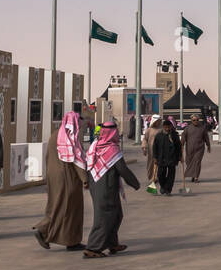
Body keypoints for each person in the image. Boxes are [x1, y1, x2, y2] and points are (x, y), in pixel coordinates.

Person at [82, 121, 141, 258]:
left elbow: (87, 164)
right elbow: (122, 169)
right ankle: (93, 247)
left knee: (116, 215)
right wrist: (135, 183)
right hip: (106, 187)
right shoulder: (112, 149)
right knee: (104, 217)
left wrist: (86, 181)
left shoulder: (95, 145)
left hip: (96, 185)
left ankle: (112, 243)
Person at [33, 110, 89, 251]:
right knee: (66, 208)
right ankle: (43, 230)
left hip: (55, 177)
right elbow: (76, 161)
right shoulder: (70, 138)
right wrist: (85, 179)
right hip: (68, 178)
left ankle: (71, 241)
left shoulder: (55, 136)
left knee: (58, 206)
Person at [152, 119, 183, 195]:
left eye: (169, 127)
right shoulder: (159, 136)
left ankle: (168, 190)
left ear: (171, 127)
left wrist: (180, 156)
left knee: (171, 176)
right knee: (160, 174)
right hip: (161, 159)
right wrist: (155, 157)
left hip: (172, 158)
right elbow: (155, 147)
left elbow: (179, 146)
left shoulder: (174, 135)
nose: (167, 129)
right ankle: (163, 186)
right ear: (163, 127)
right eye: (166, 127)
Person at [183, 113, 212, 182]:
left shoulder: (202, 128)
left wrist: (208, 146)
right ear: (191, 120)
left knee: (197, 162)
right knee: (189, 162)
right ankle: (193, 175)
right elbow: (183, 138)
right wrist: (181, 146)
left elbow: (206, 138)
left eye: (197, 120)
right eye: (194, 120)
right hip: (189, 149)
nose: (196, 121)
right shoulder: (187, 128)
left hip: (199, 149)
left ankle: (196, 177)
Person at [142, 114, 162, 189]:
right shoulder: (149, 130)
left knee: (159, 164)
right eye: (156, 121)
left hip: (160, 150)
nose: (157, 123)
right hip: (151, 150)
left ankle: (156, 177)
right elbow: (145, 139)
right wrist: (144, 147)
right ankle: (152, 176)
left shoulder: (161, 129)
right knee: (151, 164)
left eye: (159, 121)